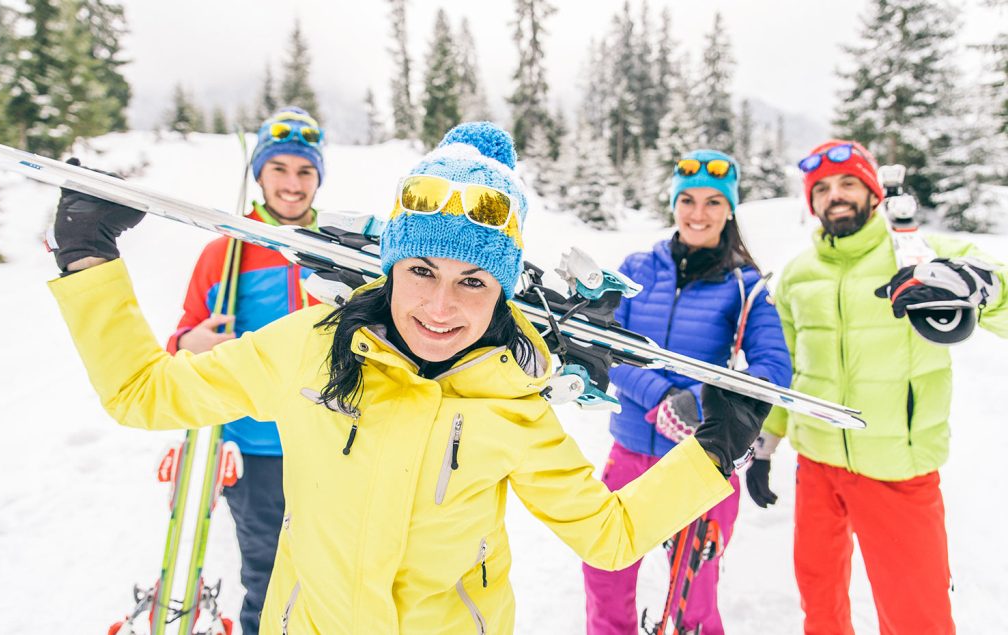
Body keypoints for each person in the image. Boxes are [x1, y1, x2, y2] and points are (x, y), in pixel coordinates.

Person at [44, 122, 771, 635]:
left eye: (473, 280)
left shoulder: (515, 402)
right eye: (420, 270)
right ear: (392, 266)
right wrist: (86, 256)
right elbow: (145, 392)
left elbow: (608, 535)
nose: (440, 305)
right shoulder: (311, 348)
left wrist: (714, 451)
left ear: (505, 292)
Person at [750, 139, 1008, 634]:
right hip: (818, 465)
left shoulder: (921, 255)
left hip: (897, 471)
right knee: (819, 603)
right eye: (821, 188)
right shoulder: (798, 275)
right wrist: (766, 443)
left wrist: (982, 287)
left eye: (849, 182)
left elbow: (999, 285)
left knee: (917, 617)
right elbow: (785, 369)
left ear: (873, 191)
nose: (835, 195)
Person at [582, 149, 792, 635]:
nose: (699, 213)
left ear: (730, 210)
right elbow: (608, 346)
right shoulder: (637, 268)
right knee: (605, 569)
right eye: (688, 200)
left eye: (714, 202)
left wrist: (697, 402)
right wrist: (658, 400)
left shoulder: (747, 286)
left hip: (702, 458)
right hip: (631, 450)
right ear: (673, 204)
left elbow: (774, 369)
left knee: (692, 590)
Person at [166, 105, 326, 635]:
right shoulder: (225, 251)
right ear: (259, 174)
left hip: (329, 440)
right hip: (254, 449)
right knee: (267, 574)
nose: (292, 183)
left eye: (304, 171)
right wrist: (194, 340)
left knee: (333, 575)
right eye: (279, 168)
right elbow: (181, 342)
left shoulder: (338, 253)